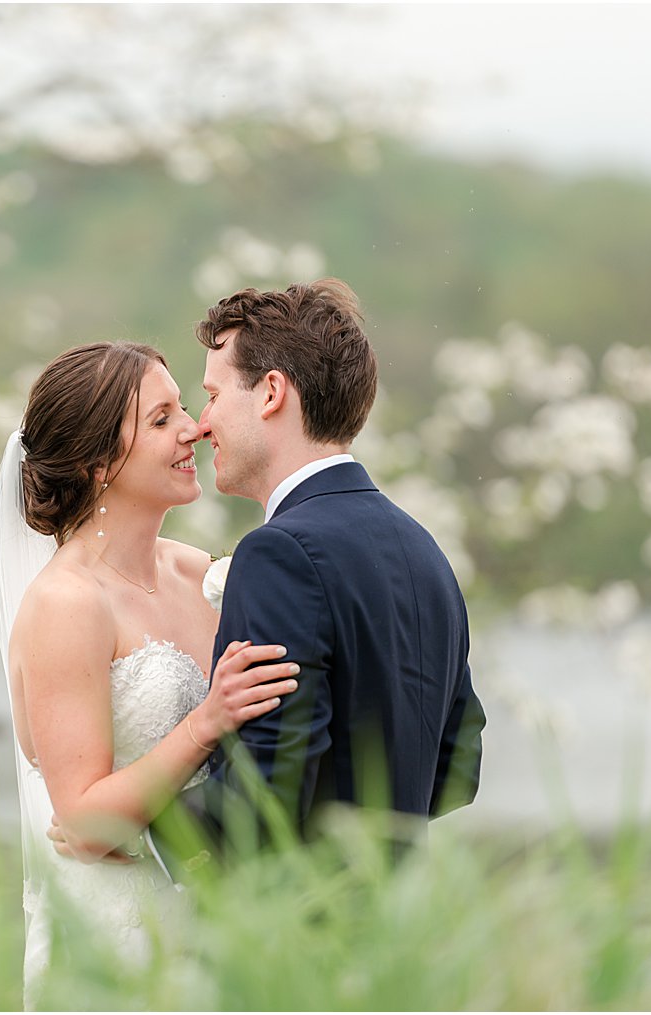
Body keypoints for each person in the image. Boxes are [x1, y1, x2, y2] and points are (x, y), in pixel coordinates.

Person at [0, 341, 299, 1005]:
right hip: (116, 931)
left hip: (218, 919)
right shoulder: (67, 603)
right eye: (161, 420)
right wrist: (206, 720)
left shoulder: (198, 571)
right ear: (96, 462)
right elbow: (85, 821)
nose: (193, 428)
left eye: (184, 408)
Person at [150, 279, 486, 872]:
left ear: (271, 392)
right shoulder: (425, 552)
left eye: (213, 395)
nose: (201, 425)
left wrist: (138, 827)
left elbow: (263, 802)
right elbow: (457, 768)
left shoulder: (278, 553)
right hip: (395, 931)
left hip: (297, 937)